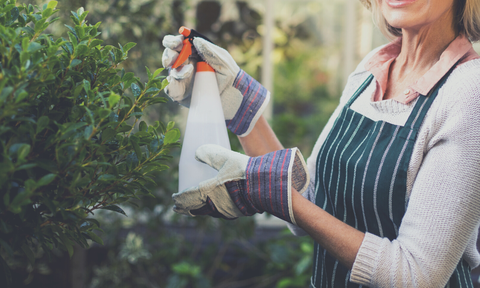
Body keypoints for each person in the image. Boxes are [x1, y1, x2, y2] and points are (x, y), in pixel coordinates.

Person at [162, 0, 480, 286]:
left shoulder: (469, 91)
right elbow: (310, 201)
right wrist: (237, 102)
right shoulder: (372, 69)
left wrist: (268, 189)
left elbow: (416, 275)